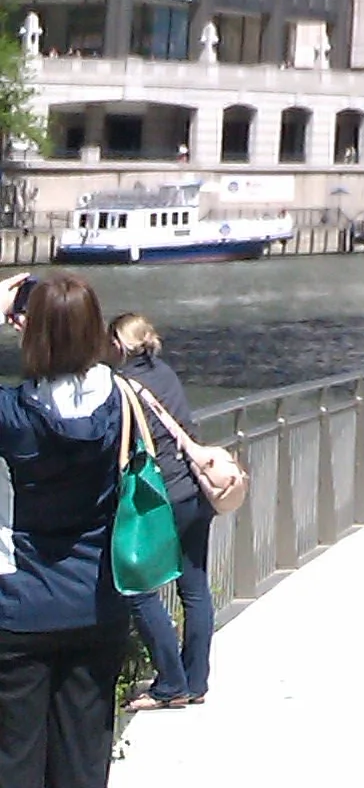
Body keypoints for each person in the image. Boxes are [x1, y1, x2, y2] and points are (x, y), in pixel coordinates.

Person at [0, 272, 127, 788]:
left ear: (28, 333)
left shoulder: (11, 412)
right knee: (83, 757)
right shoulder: (123, 401)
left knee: (15, 758)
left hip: (20, 605)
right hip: (97, 599)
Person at [109, 312, 212, 713]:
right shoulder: (164, 372)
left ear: (118, 345)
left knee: (137, 587)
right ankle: (195, 680)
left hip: (160, 497)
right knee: (194, 589)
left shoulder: (123, 386)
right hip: (192, 491)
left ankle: (170, 683)